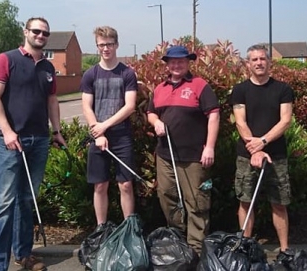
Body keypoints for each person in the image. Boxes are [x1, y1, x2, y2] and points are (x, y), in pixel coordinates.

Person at [0, 17, 66, 271]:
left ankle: (23, 255)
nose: (41, 35)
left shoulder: (47, 67)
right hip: (11, 141)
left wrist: (57, 131)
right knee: (5, 203)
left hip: (39, 141)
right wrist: (8, 132)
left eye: (45, 33)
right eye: (36, 31)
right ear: (26, 32)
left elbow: (52, 101)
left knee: (26, 199)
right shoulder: (5, 60)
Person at [147, 45, 220, 254]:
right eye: (172, 61)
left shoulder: (200, 86)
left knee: (196, 202)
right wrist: (156, 122)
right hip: (165, 156)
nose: (176, 65)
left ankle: (196, 248)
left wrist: (210, 148)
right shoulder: (160, 88)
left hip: (194, 157)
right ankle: (178, 240)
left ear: (188, 63)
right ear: (167, 65)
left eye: (180, 61)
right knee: (167, 197)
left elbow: (213, 116)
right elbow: (150, 112)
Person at [231, 44, 295, 261]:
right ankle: (246, 249)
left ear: (269, 62)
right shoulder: (240, 90)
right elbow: (240, 122)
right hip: (247, 154)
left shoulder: (283, 89)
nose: (259, 63)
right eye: (254, 60)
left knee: (279, 203)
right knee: (246, 201)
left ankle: (284, 250)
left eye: (262, 59)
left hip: (276, 155)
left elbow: (285, 120)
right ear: (247, 64)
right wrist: (254, 149)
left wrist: (263, 142)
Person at [81, 26, 137, 228]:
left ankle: (129, 229)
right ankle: (101, 228)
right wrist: (98, 131)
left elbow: (129, 106)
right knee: (100, 185)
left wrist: (104, 126)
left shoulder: (127, 73)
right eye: (102, 45)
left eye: (109, 44)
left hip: (122, 136)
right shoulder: (90, 74)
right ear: (97, 46)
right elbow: (86, 106)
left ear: (116, 45)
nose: (106, 48)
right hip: (98, 136)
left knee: (126, 185)